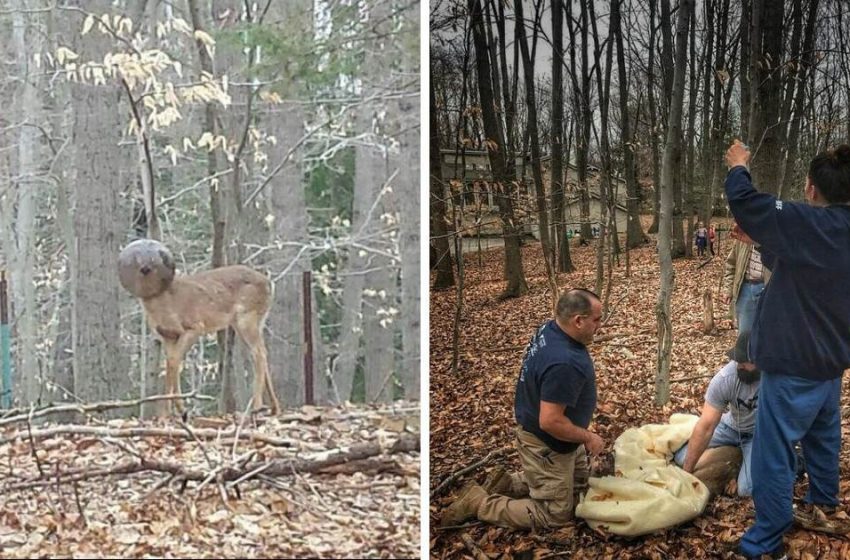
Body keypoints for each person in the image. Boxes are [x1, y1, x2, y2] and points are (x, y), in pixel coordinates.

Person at [724, 140, 850, 559]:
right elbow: (810, 268)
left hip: (795, 363)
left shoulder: (811, 222)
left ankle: (765, 541)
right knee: (822, 436)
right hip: (830, 361)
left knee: (772, 452)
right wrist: (761, 242)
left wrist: (739, 165)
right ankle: (823, 505)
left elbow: (745, 200)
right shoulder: (834, 232)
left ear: (812, 189)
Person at [440, 289, 604, 530]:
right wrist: (588, 436)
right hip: (548, 443)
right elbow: (550, 421)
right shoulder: (565, 362)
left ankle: (506, 483)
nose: (600, 325)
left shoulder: (551, 329)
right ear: (577, 321)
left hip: (560, 439)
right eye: (596, 319)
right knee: (555, 516)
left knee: (580, 488)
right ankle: (479, 503)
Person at [674, 332, 760, 497]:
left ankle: (742, 462)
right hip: (731, 426)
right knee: (681, 457)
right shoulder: (726, 378)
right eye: (737, 360)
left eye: (744, 361)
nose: (739, 365)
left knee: (745, 490)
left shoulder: (774, 380)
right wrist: (686, 474)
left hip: (758, 435)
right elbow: (706, 426)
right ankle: (736, 455)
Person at [721, 225, 771, 336]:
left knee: (767, 336)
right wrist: (728, 289)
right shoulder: (744, 235)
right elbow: (731, 264)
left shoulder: (777, 236)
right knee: (744, 336)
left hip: (769, 291)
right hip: (745, 289)